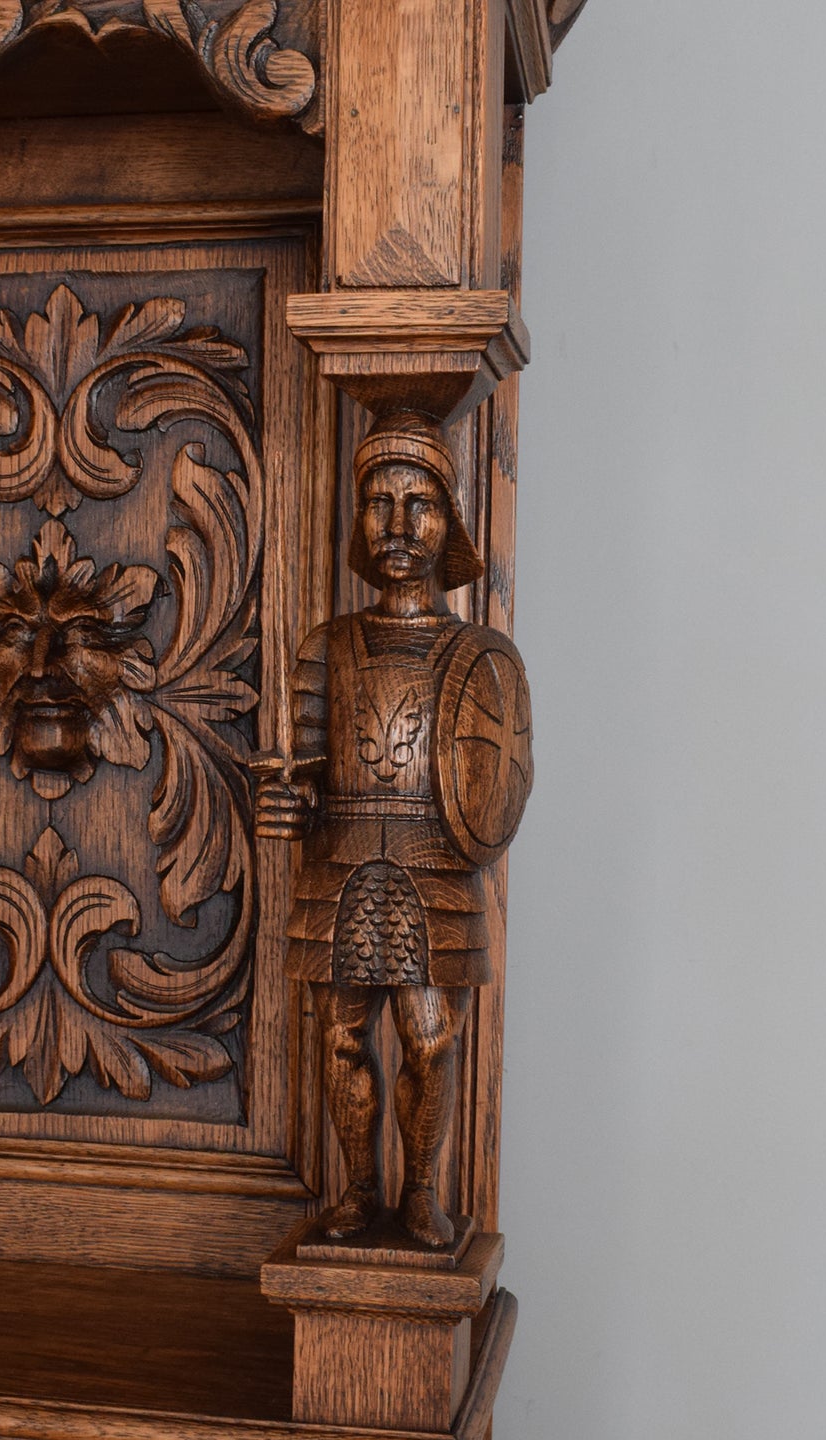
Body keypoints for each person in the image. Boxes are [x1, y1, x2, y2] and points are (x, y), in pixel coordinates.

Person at [255, 413, 532, 1248]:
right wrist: (285, 809)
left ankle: (418, 1189)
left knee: (430, 1037)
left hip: (432, 862)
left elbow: (493, 779)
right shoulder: (325, 648)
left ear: (451, 522)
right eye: (378, 502)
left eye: (419, 504)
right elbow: (301, 769)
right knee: (341, 1036)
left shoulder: (474, 653)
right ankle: (356, 1190)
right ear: (356, 520)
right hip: (340, 865)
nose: (398, 526)